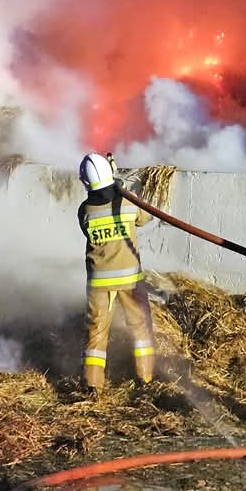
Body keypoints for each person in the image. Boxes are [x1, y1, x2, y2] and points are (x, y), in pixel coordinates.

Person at [77, 152, 156, 391]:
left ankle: (93, 385)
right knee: (140, 327)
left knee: (96, 332)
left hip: (99, 283)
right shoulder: (128, 204)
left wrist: (111, 182)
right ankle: (145, 379)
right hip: (130, 279)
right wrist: (119, 183)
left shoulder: (85, 212)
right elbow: (146, 216)